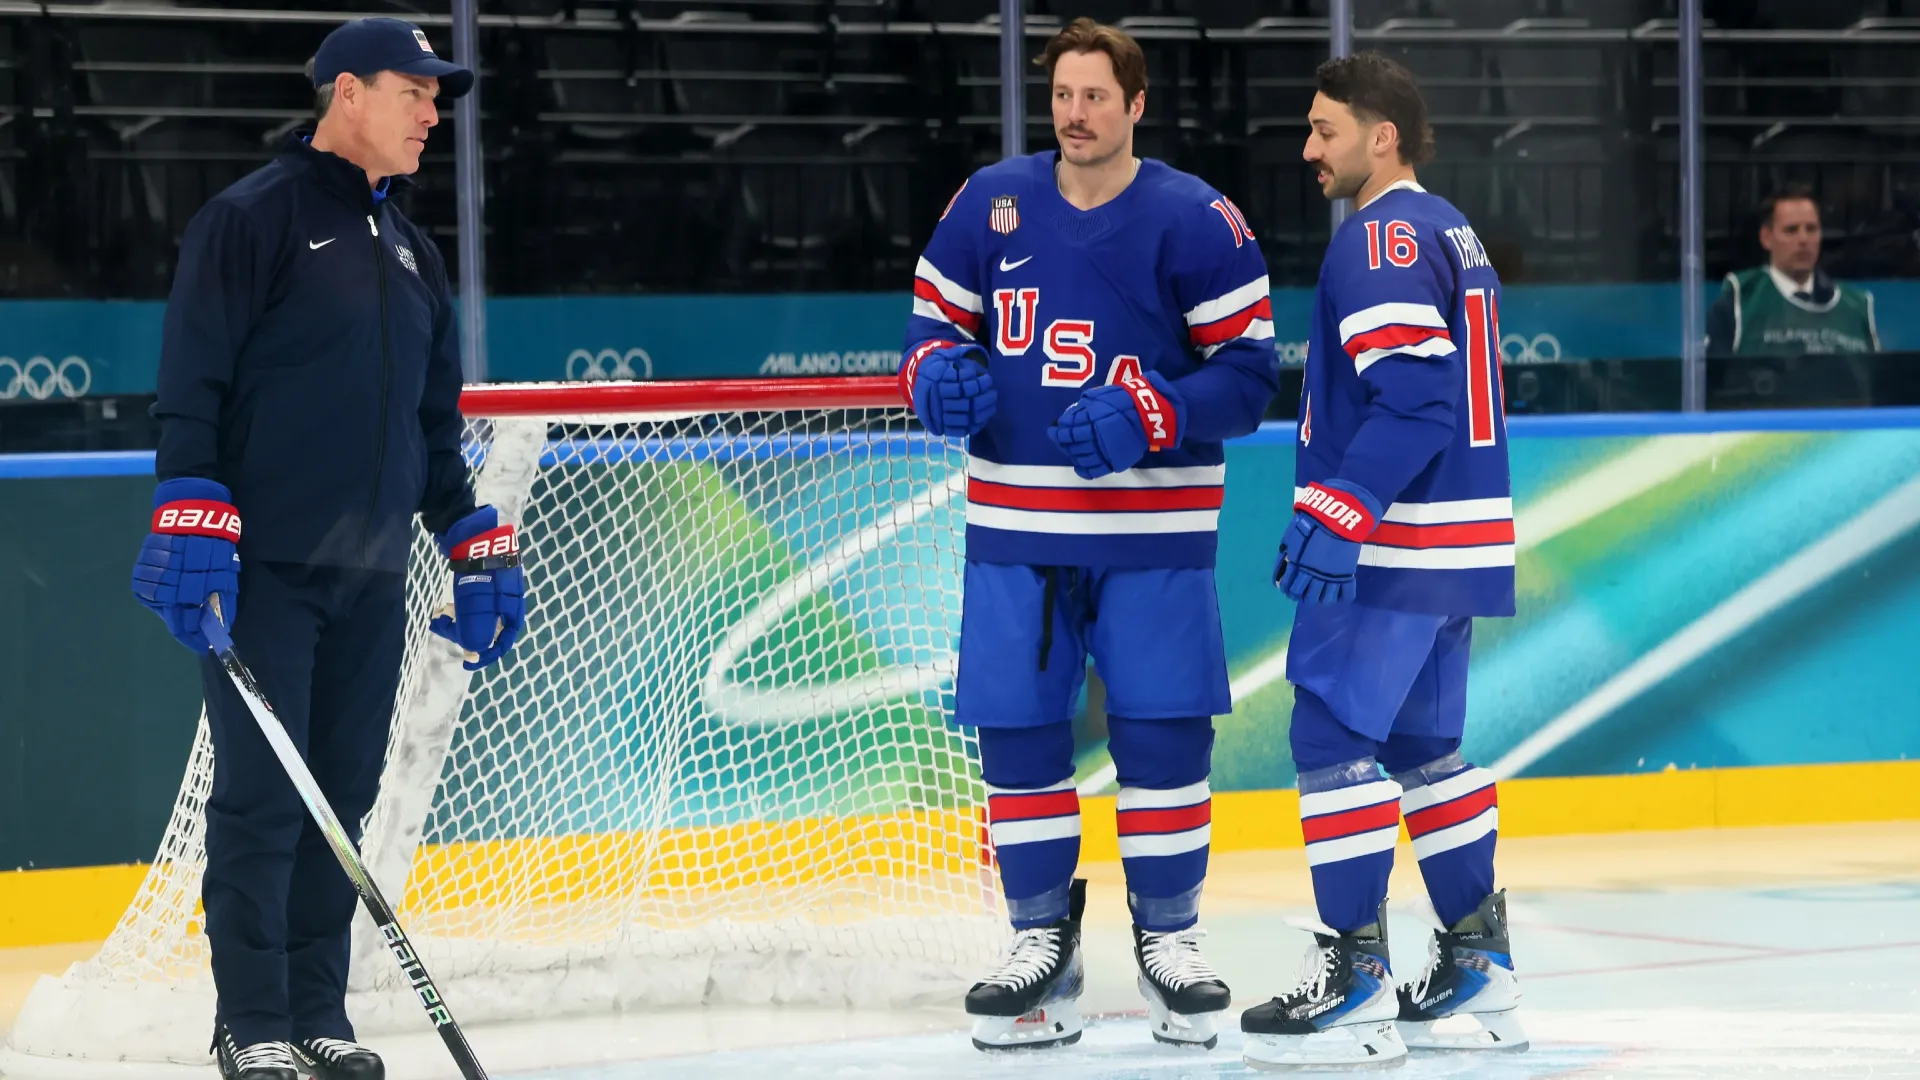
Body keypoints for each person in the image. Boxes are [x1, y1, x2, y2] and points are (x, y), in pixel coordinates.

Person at [130, 18, 525, 1080]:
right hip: (266, 571)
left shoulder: (415, 252)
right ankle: (249, 1021)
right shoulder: (251, 220)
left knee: (340, 799)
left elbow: (433, 436)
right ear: (346, 92)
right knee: (265, 798)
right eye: (416, 91)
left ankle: (319, 1014)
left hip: (372, 577)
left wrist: (472, 539)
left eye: (440, 97)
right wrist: (187, 506)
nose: (434, 113)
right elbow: (192, 385)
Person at [900, 16, 1280, 1053]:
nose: (1076, 114)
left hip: (1152, 535)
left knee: (1161, 736)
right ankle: (1039, 944)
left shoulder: (1198, 219)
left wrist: (1157, 412)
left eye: (1095, 96)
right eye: (1063, 96)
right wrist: (934, 376)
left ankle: (1171, 939)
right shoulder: (990, 201)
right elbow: (931, 328)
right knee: (1018, 735)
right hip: (1016, 530)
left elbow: (1248, 378)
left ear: (1135, 103)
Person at [1236, 52, 1525, 1069]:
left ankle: (1353, 976)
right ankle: (1480, 960)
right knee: (1423, 754)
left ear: (1381, 136)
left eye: (1324, 130)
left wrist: (1340, 507)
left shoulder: (1382, 236)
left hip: (1400, 545)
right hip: (1461, 539)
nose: (1310, 149)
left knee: (1328, 740)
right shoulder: (1449, 227)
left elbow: (1415, 399)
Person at [1707, 184, 1880, 357]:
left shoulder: (1856, 307)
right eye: (1791, 230)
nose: (1804, 239)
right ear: (1766, 238)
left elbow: (1877, 380)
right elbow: (1711, 378)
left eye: (1811, 229)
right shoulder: (1740, 298)